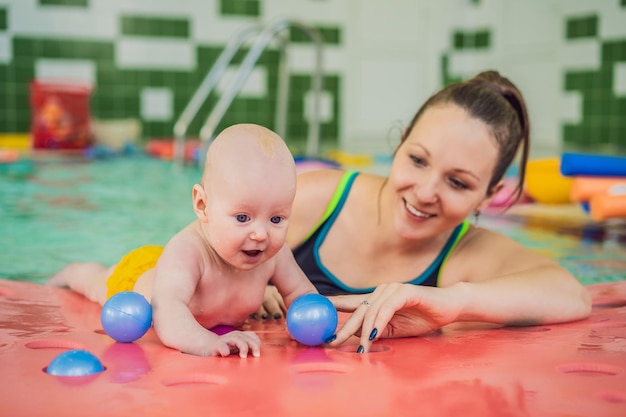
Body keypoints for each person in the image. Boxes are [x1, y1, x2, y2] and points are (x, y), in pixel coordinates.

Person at [258, 70, 592, 353]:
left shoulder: (467, 253)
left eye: (458, 183)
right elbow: (208, 242)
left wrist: (454, 302)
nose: (425, 192)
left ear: (488, 197)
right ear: (400, 143)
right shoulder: (318, 199)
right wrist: (246, 284)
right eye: (417, 160)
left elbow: (572, 295)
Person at [48, 123, 317, 358]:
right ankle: (72, 272)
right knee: (96, 284)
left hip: (173, 272)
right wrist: (207, 343)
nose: (261, 234)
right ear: (202, 205)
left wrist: (312, 323)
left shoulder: (274, 252)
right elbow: (166, 311)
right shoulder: (189, 251)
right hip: (140, 276)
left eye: (276, 219)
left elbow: (301, 294)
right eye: (243, 217)